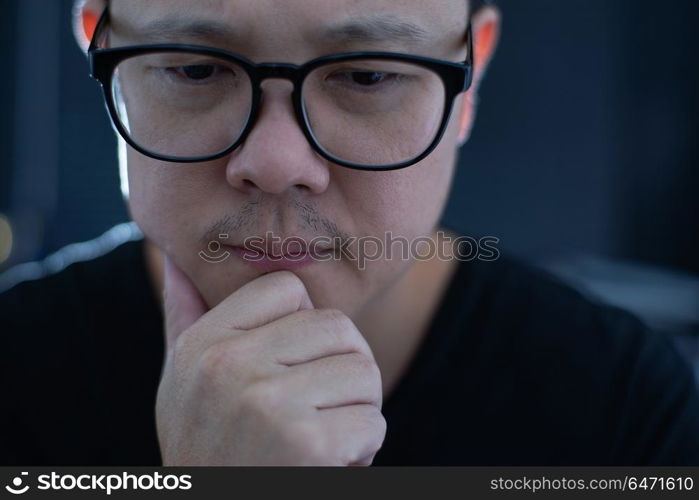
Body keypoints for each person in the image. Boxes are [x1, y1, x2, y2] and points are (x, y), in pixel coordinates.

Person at [1, 0, 697, 466]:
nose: (275, 164)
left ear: (469, 80)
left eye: (366, 75)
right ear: (100, 50)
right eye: (195, 68)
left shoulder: (624, 410)